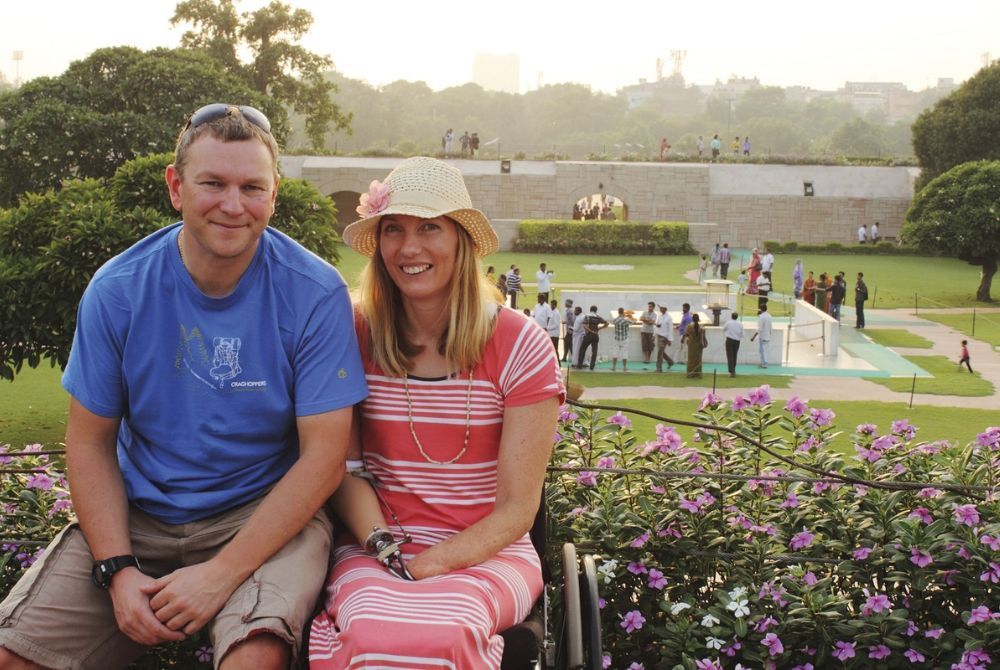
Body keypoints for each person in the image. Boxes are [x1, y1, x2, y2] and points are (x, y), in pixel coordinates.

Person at [0, 104, 367, 670]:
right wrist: (117, 571)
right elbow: (90, 442)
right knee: (15, 654)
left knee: (257, 657)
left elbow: (324, 457)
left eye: (252, 187)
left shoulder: (314, 292)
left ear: (273, 196)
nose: (232, 204)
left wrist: (222, 574)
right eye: (212, 183)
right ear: (176, 186)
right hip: (141, 513)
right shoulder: (118, 289)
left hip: (261, 512)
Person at [309, 156, 563, 669]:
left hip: (490, 553)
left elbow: (518, 509)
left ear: (460, 242)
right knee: (371, 630)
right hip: (373, 543)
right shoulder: (354, 334)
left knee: (446, 632)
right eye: (394, 230)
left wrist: (437, 563)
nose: (410, 248)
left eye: (430, 228)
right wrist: (384, 549)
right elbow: (344, 468)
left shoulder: (520, 345)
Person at [577, 305, 609, 370]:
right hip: (595, 335)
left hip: (589, 335)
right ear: (596, 310)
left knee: (582, 349)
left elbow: (585, 326)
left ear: (590, 309)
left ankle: (579, 365)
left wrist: (590, 331)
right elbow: (607, 323)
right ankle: (592, 366)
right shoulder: (598, 317)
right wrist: (599, 328)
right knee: (594, 351)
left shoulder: (587, 316)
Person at [682, 313, 707, 378]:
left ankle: (690, 374)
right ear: (698, 319)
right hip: (699, 345)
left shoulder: (689, 326)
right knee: (698, 360)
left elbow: (687, 335)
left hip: (691, 345)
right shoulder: (701, 327)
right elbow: (703, 337)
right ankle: (698, 374)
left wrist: (683, 339)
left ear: (692, 319)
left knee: (691, 360)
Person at [654, 305, 675, 372]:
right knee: (661, 352)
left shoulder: (669, 317)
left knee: (660, 352)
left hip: (664, 337)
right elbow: (657, 325)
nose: (660, 309)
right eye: (660, 308)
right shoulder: (659, 316)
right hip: (659, 335)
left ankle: (658, 368)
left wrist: (669, 339)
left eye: (661, 308)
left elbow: (670, 329)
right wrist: (654, 334)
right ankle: (670, 362)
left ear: (665, 309)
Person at [723, 312, 744, 377]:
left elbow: (724, 329)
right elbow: (742, 334)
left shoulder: (728, 323)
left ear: (731, 316)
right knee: (734, 356)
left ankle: (731, 371)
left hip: (729, 340)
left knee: (730, 356)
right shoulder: (740, 324)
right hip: (737, 341)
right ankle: (733, 370)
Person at [611, 307, 632, 372]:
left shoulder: (615, 320)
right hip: (624, 338)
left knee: (615, 352)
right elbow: (633, 322)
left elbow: (613, 322)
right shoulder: (626, 320)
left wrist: (622, 315)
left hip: (616, 338)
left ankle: (614, 367)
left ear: (618, 312)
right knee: (625, 353)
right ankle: (625, 367)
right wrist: (627, 316)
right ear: (623, 312)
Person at [562, 299, 576, 363]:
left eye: (566, 303)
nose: (565, 303)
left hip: (570, 330)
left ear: (568, 304)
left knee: (569, 343)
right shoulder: (568, 310)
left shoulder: (569, 311)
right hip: (569, 329)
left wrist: (566, 322)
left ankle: (573, 358)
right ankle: (565, 357)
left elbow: (571, 321)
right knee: (567, 343)